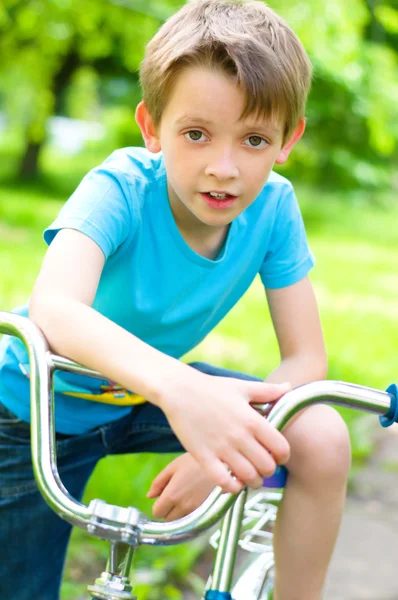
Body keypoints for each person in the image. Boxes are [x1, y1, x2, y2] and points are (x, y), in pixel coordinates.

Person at [0, 1, 352, 598]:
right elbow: (56, 310)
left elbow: (304, 362)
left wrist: (221, 450)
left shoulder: (274, 208)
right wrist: (186, 395)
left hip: (143, 392)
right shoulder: (119, 189)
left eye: (254, 139)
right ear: (151, 128)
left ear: (288, 139)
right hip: (30, 408)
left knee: (321, 433)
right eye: (196, 134)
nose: (224, 168)